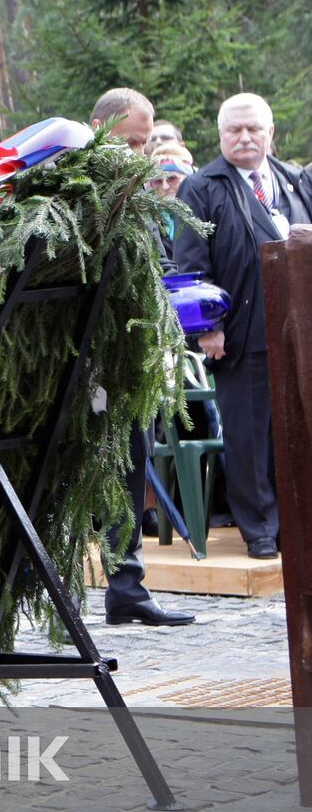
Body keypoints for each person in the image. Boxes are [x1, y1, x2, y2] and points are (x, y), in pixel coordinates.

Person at [175, 92, 312, 560]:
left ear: (271, 133)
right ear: (220, 135)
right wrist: (207, 328)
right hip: (239, 333)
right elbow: (192, 264)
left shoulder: (295, 181)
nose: (245, 137)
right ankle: (261, 530)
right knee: (250, 437)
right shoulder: (202, 187)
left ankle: (299, 524)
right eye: (235, 130)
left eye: (254, 128)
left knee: (298, 431)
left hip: (299, 332)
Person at [88, 87, 194, 626]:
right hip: (93, 364)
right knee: (97, 471)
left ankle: (126, 585)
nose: (137, 153)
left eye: (144, 142)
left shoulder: (145, 197)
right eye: (129, 141)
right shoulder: (82, 195)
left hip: (138, 360)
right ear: (99, 130)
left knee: (132, 465)